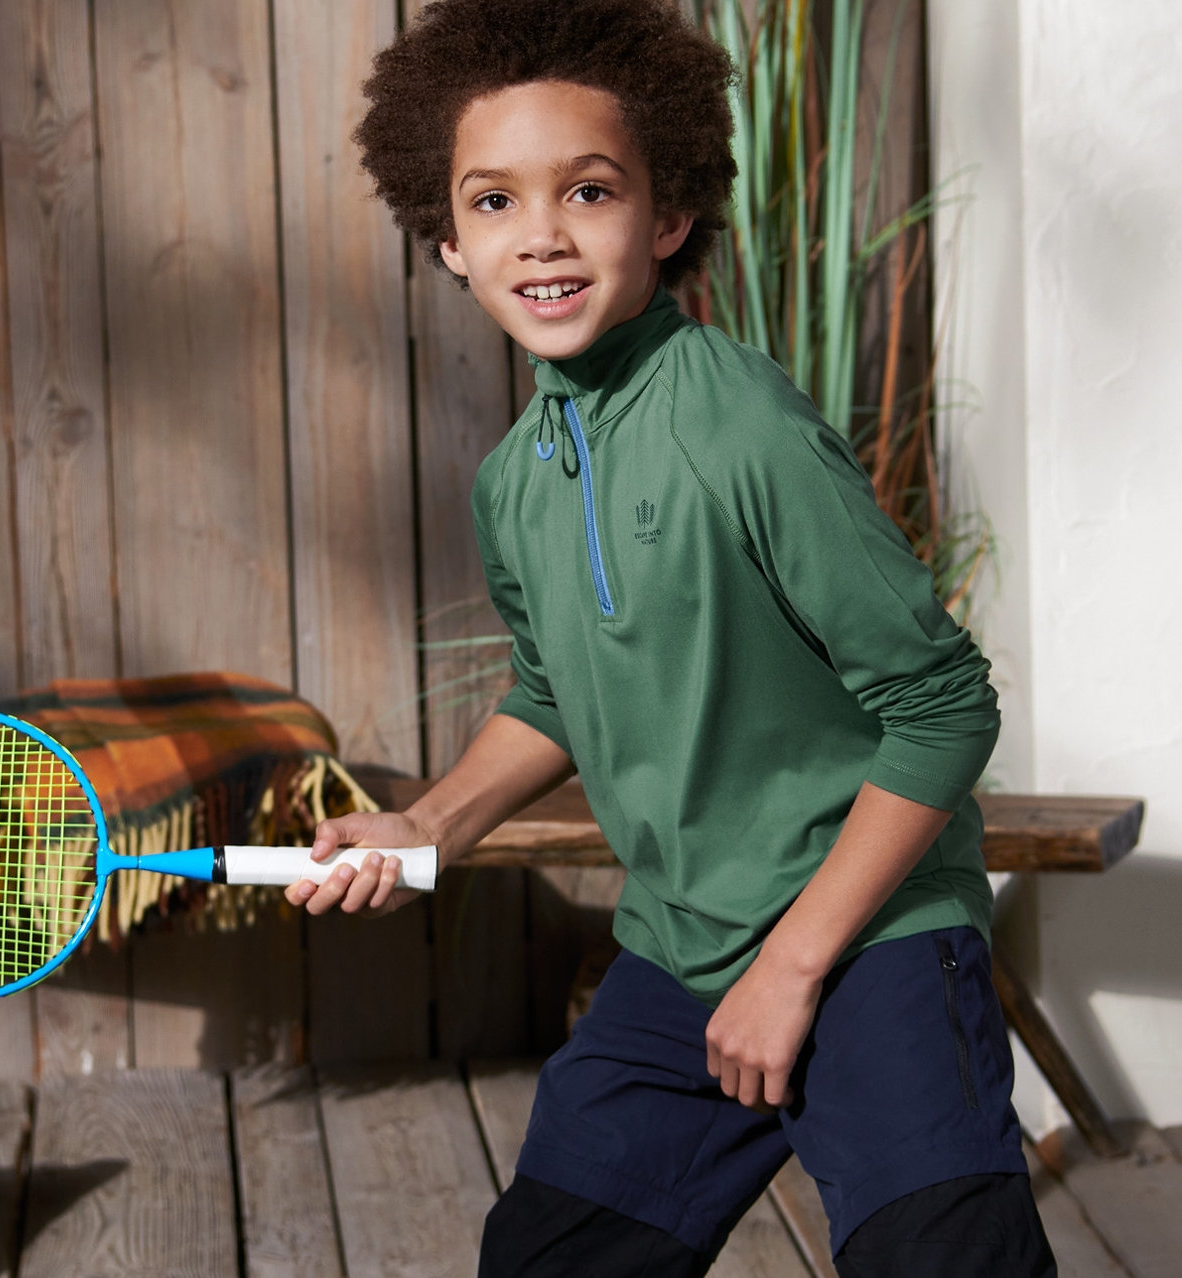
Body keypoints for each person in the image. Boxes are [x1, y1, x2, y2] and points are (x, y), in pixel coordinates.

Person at [285, 1, 1057, 1273]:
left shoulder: (737, 422)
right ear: (445, 242)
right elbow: (551, 691)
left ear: (670, 215)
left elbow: (944, 706)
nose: (541, 234)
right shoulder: (515, 482)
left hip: (869, 939)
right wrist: (426, 825)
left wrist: (795, 968)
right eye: (493, 202)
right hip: (683, 947)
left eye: (588, 191)